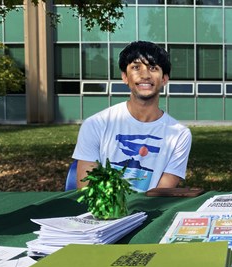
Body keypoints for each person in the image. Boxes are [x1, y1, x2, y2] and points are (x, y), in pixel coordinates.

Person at [72, 41, 192, 192]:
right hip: (103, 213)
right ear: (125, 77)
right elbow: (86, 187)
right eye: (136, 67)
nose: (145, 75)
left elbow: (162, 193)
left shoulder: (180, 134)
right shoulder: (95, 124)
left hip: (148, 212)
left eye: (153, 68)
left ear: (164, 79)